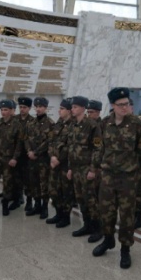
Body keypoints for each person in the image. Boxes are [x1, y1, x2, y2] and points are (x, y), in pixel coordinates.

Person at [92, 88, 141, 269]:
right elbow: (99, 148)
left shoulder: (138, 124)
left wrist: (140, 177)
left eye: (127, 104)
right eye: (121, 104)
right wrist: (95, 168)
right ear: (113, 105)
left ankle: (125, 249)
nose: (125, 107)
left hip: (128, 178)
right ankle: (108, 240)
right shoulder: (104, 123)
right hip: (108, 176)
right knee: (106, 212)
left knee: (126, 216)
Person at [67, 96, 102, 243]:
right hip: (76, 168)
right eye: (72, 107)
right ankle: (87, 225)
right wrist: (70, 168)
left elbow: (98, 148)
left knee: (91, 199)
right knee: (81, 198)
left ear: (82, 108)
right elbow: (71, 147)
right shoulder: (73, 124)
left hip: (87, 168)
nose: (72, 109)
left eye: (75, 107)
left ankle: (98, 229)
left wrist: (93, 169)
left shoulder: (92, 125)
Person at [25, 97, 54, 219]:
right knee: (34, 183)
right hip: (32, 159)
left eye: (41, 107)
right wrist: (29, 151)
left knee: (44, 183)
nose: (38, 109)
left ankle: (44, 207)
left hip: (43, 159)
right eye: (36, 107)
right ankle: (36, 205)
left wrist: (36, 152)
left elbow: (49, 141)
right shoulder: (30, 123)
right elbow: (26, 138)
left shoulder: (50, 123)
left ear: (46, 108)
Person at [47, 99, 74, 228]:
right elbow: (51, 141)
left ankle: (66, 217)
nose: (59, 111)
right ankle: (58, 213)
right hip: (54, 162)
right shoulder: (58, 124)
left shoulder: (73, 125)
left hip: (65, 164)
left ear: (69, 111)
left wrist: (59, 159)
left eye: (62, 109)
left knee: (66, 191)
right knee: (54, 190)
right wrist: (52, 156)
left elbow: (70, 146)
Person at [15, 97, 34, 211]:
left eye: (24, 107)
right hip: (16, 154)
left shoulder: (33, 121)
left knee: (28, 179)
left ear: (29, 108)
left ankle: (29, 201)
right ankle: (18, 198)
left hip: (27, 154)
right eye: (20, 107)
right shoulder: (14, 119)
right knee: (16, 177)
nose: (22, 109)